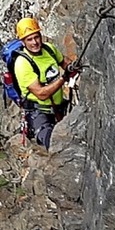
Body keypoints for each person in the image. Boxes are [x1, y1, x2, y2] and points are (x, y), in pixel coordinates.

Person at [13, 17, 78, 149]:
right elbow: (41, 94)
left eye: (36, 37)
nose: (35, 42)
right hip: (39, 113)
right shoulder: (22, 64)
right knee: (52, 144)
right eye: (29, 39)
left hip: (59, 106)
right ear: (23, 42)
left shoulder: (49, 49)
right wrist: (63, 79)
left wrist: (72, 66)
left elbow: (64, 62)